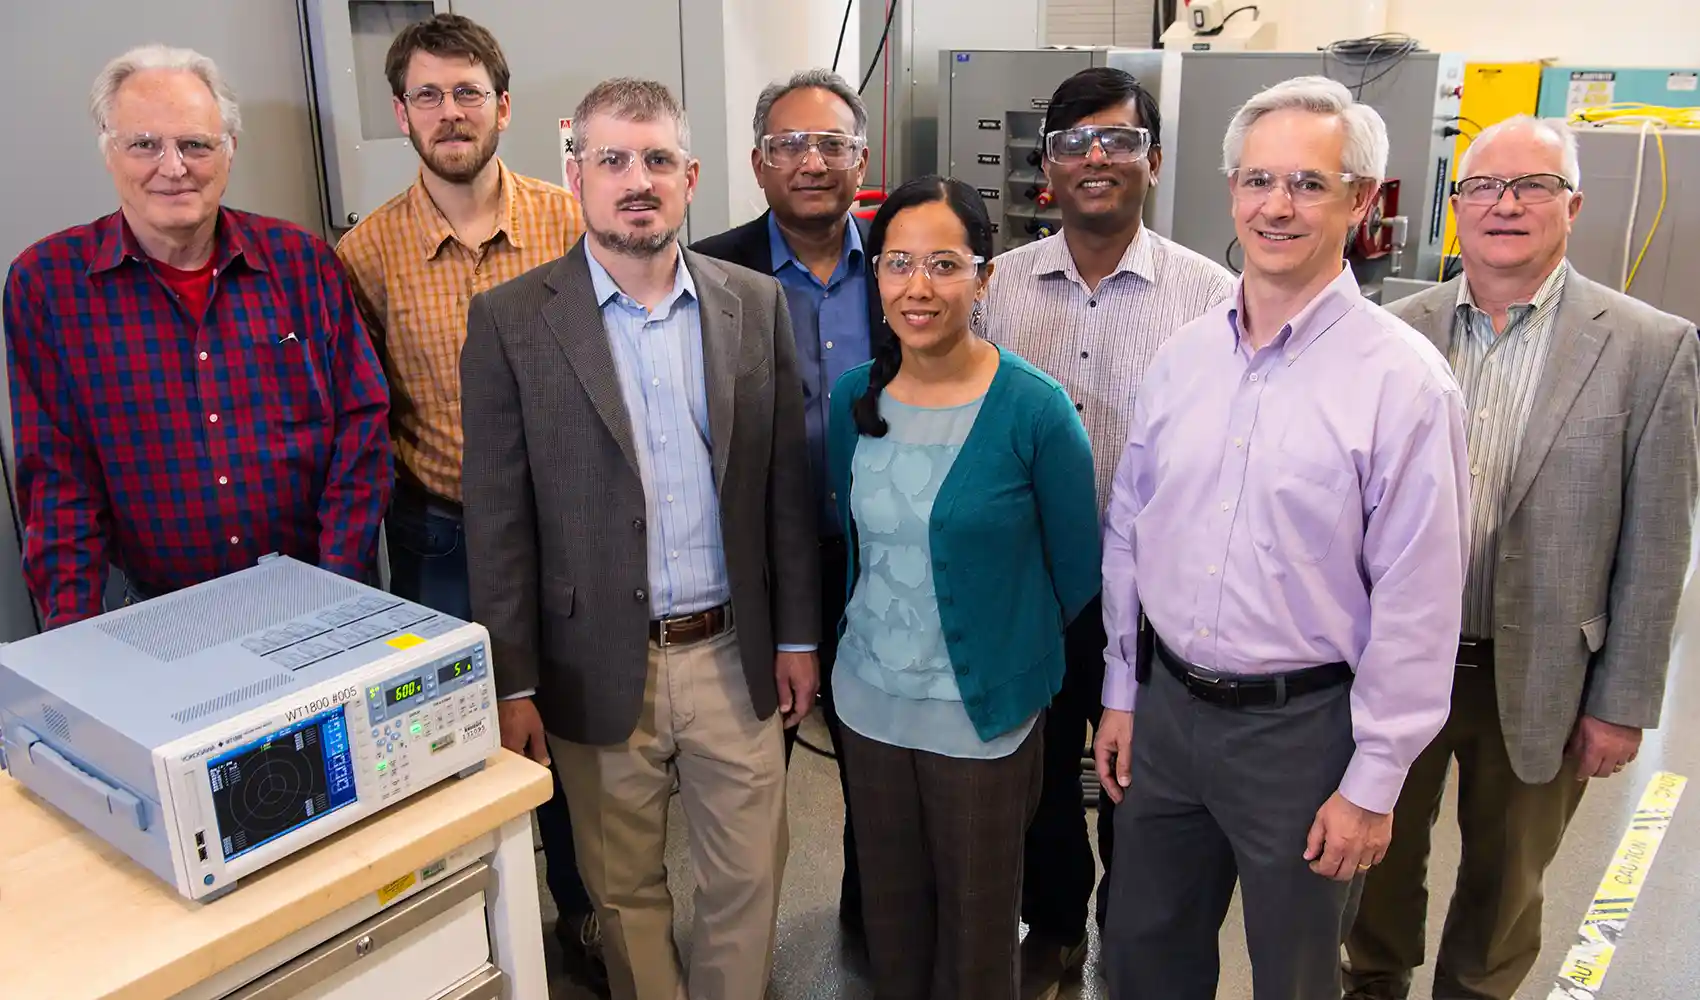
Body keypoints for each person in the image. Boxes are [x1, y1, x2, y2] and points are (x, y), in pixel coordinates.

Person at [1092, 76, 1471, 1000]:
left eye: (1308, 182)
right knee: (1144, 955)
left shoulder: (1405, 385)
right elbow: (1132, 534)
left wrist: (1374, 781)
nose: (1277, 205)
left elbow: (1419, 606)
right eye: (1258, 179)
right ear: (1231, 190)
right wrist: (1122, 690)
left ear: (1362, 201)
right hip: (1170, 713)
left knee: (1295, 976)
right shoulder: (1182, 360)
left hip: (1304, 736)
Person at [460, 77, 819, 1000]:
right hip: (594, 664)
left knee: (748, 877)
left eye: (657, 159)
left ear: (691, 176)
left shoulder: (751, 305)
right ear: (573, 175)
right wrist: (515, 681)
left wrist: (797, 636)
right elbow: (497, 517)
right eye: (612, 159)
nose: (637, 180)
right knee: (622, 891)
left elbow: (785, 486)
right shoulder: (510, 322)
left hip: (732, 652)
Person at [1344, 116, 1699, 1000]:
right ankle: (1374, 983)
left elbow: (1658, 545)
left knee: (1506, 885)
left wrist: (1622, 704)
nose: (1506, 205)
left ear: (1572, 205)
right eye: (1483, 187)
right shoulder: (1391, 331)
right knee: (1373, 864)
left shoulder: (1650, 347)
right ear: (1453, 206)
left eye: (1532, 185)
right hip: (1398, 666)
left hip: (1545, 672)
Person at [330, 14, 602, 991]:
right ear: (401, 114)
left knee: (575, 739)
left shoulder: (570, 222)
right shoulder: (364, 256)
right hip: (442, 535)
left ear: (505, 105)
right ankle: (475, 940)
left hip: (570, 526)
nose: (451, 113)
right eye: (429, 96)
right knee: (451, 743)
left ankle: (584, 916)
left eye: (468, 93)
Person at [978, 66, 1233, 997]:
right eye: (1073, 142)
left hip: (1155, 595)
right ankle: (1052, 928)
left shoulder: (1210, 298)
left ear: (1154, 162)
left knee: (1145, 786)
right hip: (1032, 589)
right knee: (1041, 778)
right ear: (1045, 167)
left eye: (1118, 140)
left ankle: (1133, 938)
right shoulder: (994, 290)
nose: (1095, 158)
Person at [827, 174, 1101, 1000]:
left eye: (944, 264)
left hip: (981, 722)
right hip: (868, 707)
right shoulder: (853, 400)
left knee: (978, 940)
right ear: (874, 278)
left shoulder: (1033, 408)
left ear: (984, 277)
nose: (918, 287)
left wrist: (1007, 651)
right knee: (891, 926)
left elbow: (1078, 568)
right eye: (898, 263)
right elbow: (852, 545)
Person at [3, 45, 389, 626]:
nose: (174, 167)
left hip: (322, 597)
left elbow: (361, 432)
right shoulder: (48, 285)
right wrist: (71, 646)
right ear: (109, 151)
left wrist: (335, 590)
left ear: (229, 151)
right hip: (163, 618)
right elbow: (58, 486)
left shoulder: (301, 262)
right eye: (145, 145)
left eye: (195, 144)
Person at [690, 66, 884, 937]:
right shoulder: (707, 273)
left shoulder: (903, 260)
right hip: (758, 565)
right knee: (746, 774)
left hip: (883, 561)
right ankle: (739, 943)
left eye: (831, 144)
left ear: (861, 159)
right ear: (759, 163)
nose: (812, 161)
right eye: (790, 145)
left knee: (880, 768)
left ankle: (872, 922)